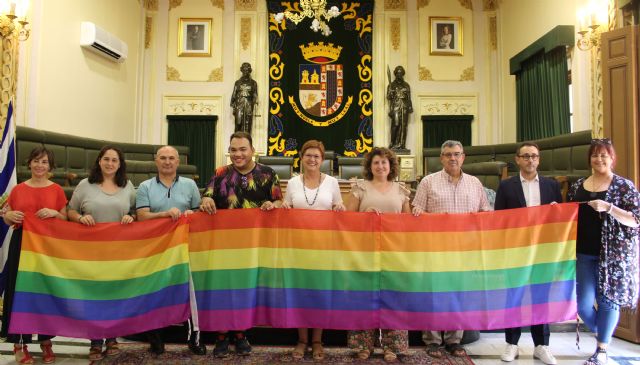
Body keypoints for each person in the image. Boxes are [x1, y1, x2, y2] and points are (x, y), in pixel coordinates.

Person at [200, 131, 283, 358]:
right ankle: (221, 337)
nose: (237, 154)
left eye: (242, 149)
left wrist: (272, 203)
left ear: (252, 150)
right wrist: (206, 198)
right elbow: (207, 197)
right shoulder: (220, 173)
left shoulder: (268, 173)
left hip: (255, 245)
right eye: (233, 150)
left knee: (246, 288)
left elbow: (278, 200)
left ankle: (241, 334)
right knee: (224, 289)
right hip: (224, 244)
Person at [412, 139, 490, 358]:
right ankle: (433, 340)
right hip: (435, 249)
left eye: (456, 154)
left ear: (463, 157)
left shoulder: (475, 183)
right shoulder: (428, 182)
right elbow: (417, 209)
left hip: (465, 250)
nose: (452, 158)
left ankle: (455, 340)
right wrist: (417, 212)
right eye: (448, 154)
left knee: (459, 295)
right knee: (434, 295)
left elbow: (485, 212)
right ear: (441, 158)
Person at [567, 138, 639, 365]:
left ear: (612, 158)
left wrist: (609, 207)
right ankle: (604, 331)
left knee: (608, 301)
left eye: (604, 155)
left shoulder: (624, 186)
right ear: (590, 158)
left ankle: (602, 348)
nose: (599, 159)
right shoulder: (578, 185)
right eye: (595, 155)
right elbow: (569, 213)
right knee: (582, 303)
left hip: (614, 255)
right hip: (583, 253)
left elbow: (636, 220)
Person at [495, 142, 561, 365]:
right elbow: (499, 220)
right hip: (516, 250)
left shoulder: (552, 186)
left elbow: (559, 221)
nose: (530, 160)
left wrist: (556, 211)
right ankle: (512, 344)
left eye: (534, 156)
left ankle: (541, 345)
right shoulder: (506, 186)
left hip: (543, 251)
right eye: (525, 156)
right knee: (514, 297)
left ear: (539, 159)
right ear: (517, 159)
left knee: (540, 298)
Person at [67, 146, 135, 361]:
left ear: (120, 164)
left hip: (119, 251)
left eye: (114, 160)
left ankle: (112, 337)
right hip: (91, 251)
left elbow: (136, 211)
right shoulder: (84, 185)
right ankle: (95, 340)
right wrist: (79, 218)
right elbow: (70, 211)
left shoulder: (128, 186)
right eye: (106, 159)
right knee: (93, 295)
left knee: (115, 294)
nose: (110, 163)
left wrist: (131, 217)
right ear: (99, 161)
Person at [136, 145, 205, 356]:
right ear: (156, 161)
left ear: (178, 162)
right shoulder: (144, 186)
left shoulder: (190, 184)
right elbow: (141, 216)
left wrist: (188, 214)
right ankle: (155, 338)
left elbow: (197, 212)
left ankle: (194, 338)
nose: (167, 162)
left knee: (189, 290)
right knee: (155, 291)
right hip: (155, 249)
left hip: (185, 247)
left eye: (172, 158)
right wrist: (166, 215)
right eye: (163, 158)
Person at [1, 146, 67, 364]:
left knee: (45, 292)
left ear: (50, 166)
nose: (40, 165)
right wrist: (8, 215)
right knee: (20, 291)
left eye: (45, 162)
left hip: (48, 247)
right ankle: (19, 343)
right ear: (29, 163)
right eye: (36, 161)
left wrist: (55, 213)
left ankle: (46, 340)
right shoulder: (18, 189)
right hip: (22, 245)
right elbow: (7, 218)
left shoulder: (56, 189)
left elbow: (65, 219)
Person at [345, 147, 411, 363]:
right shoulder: (359, 189)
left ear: (391, 166)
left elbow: (408, 223)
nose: (380, 166)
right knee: (364, 297)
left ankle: (392, 346)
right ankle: (364, 345)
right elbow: (346, 219)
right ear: (369, 166)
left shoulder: (401, 190)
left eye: (384, 162)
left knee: (394, 298)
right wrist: (365, 216)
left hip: (395, 253)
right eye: (376, 163)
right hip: (365, 252)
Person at [282, 140, 345, 361]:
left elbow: (339, 209)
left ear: (322, 159)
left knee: (319, 293)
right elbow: (285, 209)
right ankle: (301, 340)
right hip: (297, 248)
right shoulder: (291, 183)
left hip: (323, 248)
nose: (312, 159)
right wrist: (284, 208)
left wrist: (339, 207)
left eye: (316, 156)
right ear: (301, 157)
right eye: (308, 155)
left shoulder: (332, 183)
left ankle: (317, 340)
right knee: (300, 293)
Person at [387, 66, 413, 150]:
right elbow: (388, 97)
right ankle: (392, 143)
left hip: (404, 106)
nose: (399, 74)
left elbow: (409, 97)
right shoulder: (391, 85)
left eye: (401, 73)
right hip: (395, 105)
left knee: (404, 126)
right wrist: (390, 92)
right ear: (395, 74)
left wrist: (410, 106)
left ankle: (402, 145)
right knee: (396, 124)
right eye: (398, 73)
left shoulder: (406, 85)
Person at [231, 62, 258, 134]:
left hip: (249, 104)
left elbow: (255, 94)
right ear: (241, 70)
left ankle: (247, 141)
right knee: (238, 123)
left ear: (250, 71)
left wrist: (255, 101)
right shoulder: (237, 82)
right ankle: (237, 139)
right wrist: (233, 105)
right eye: (244, 70)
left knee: (247, 124)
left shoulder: (253, 83)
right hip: (239, 104)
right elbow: (234, 94)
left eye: (247, 70)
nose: (246, 72)